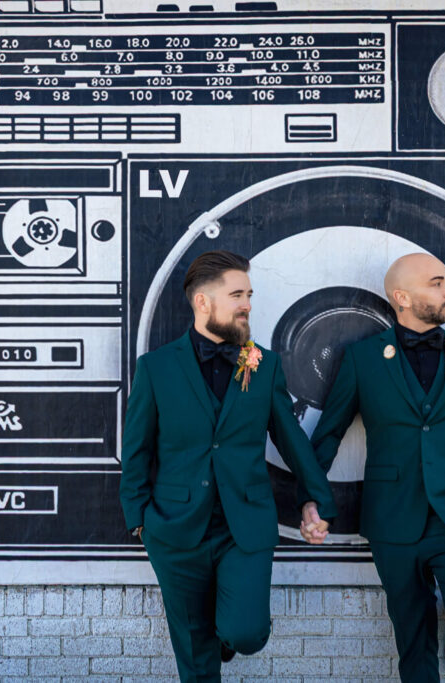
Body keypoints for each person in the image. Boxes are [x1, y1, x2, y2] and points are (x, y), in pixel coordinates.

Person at [301, 252, 445, 680]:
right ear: (402, 297)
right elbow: (327, 435)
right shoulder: (364, 359)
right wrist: (311, 498)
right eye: (437, 283)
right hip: (392, 519)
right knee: (412, 639)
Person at [120, 250, 335, 683]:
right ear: (203, 302)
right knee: (196, 661)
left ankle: (227, 632)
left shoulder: (265, 364)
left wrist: (314, 500)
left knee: (247, 632)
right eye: (237, 294)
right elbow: (137, 450)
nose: (247, 304)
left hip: (246, 524)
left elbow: (290, 440)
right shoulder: (156, 369)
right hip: (175, 528)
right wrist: (140, 522)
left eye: (249, 294)